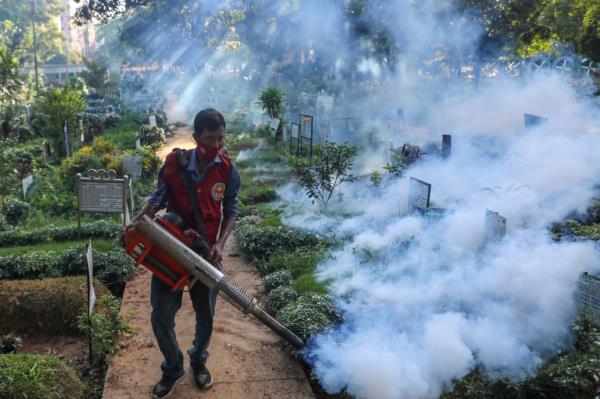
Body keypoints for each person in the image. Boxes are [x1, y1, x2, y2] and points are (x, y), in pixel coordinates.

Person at [129, 108, 241, 399]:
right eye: (209, 139)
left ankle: (198, 361)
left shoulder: (227, 169)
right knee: (161, 317)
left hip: (206, 255)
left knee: (206, 317)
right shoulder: (175, 164)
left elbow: (231, 210)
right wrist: (137, 221)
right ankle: (173, 367)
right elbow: (158, 198)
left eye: (220, 139)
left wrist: (220, 244)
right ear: (195, 137)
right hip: (172, 251)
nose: (216, 146)